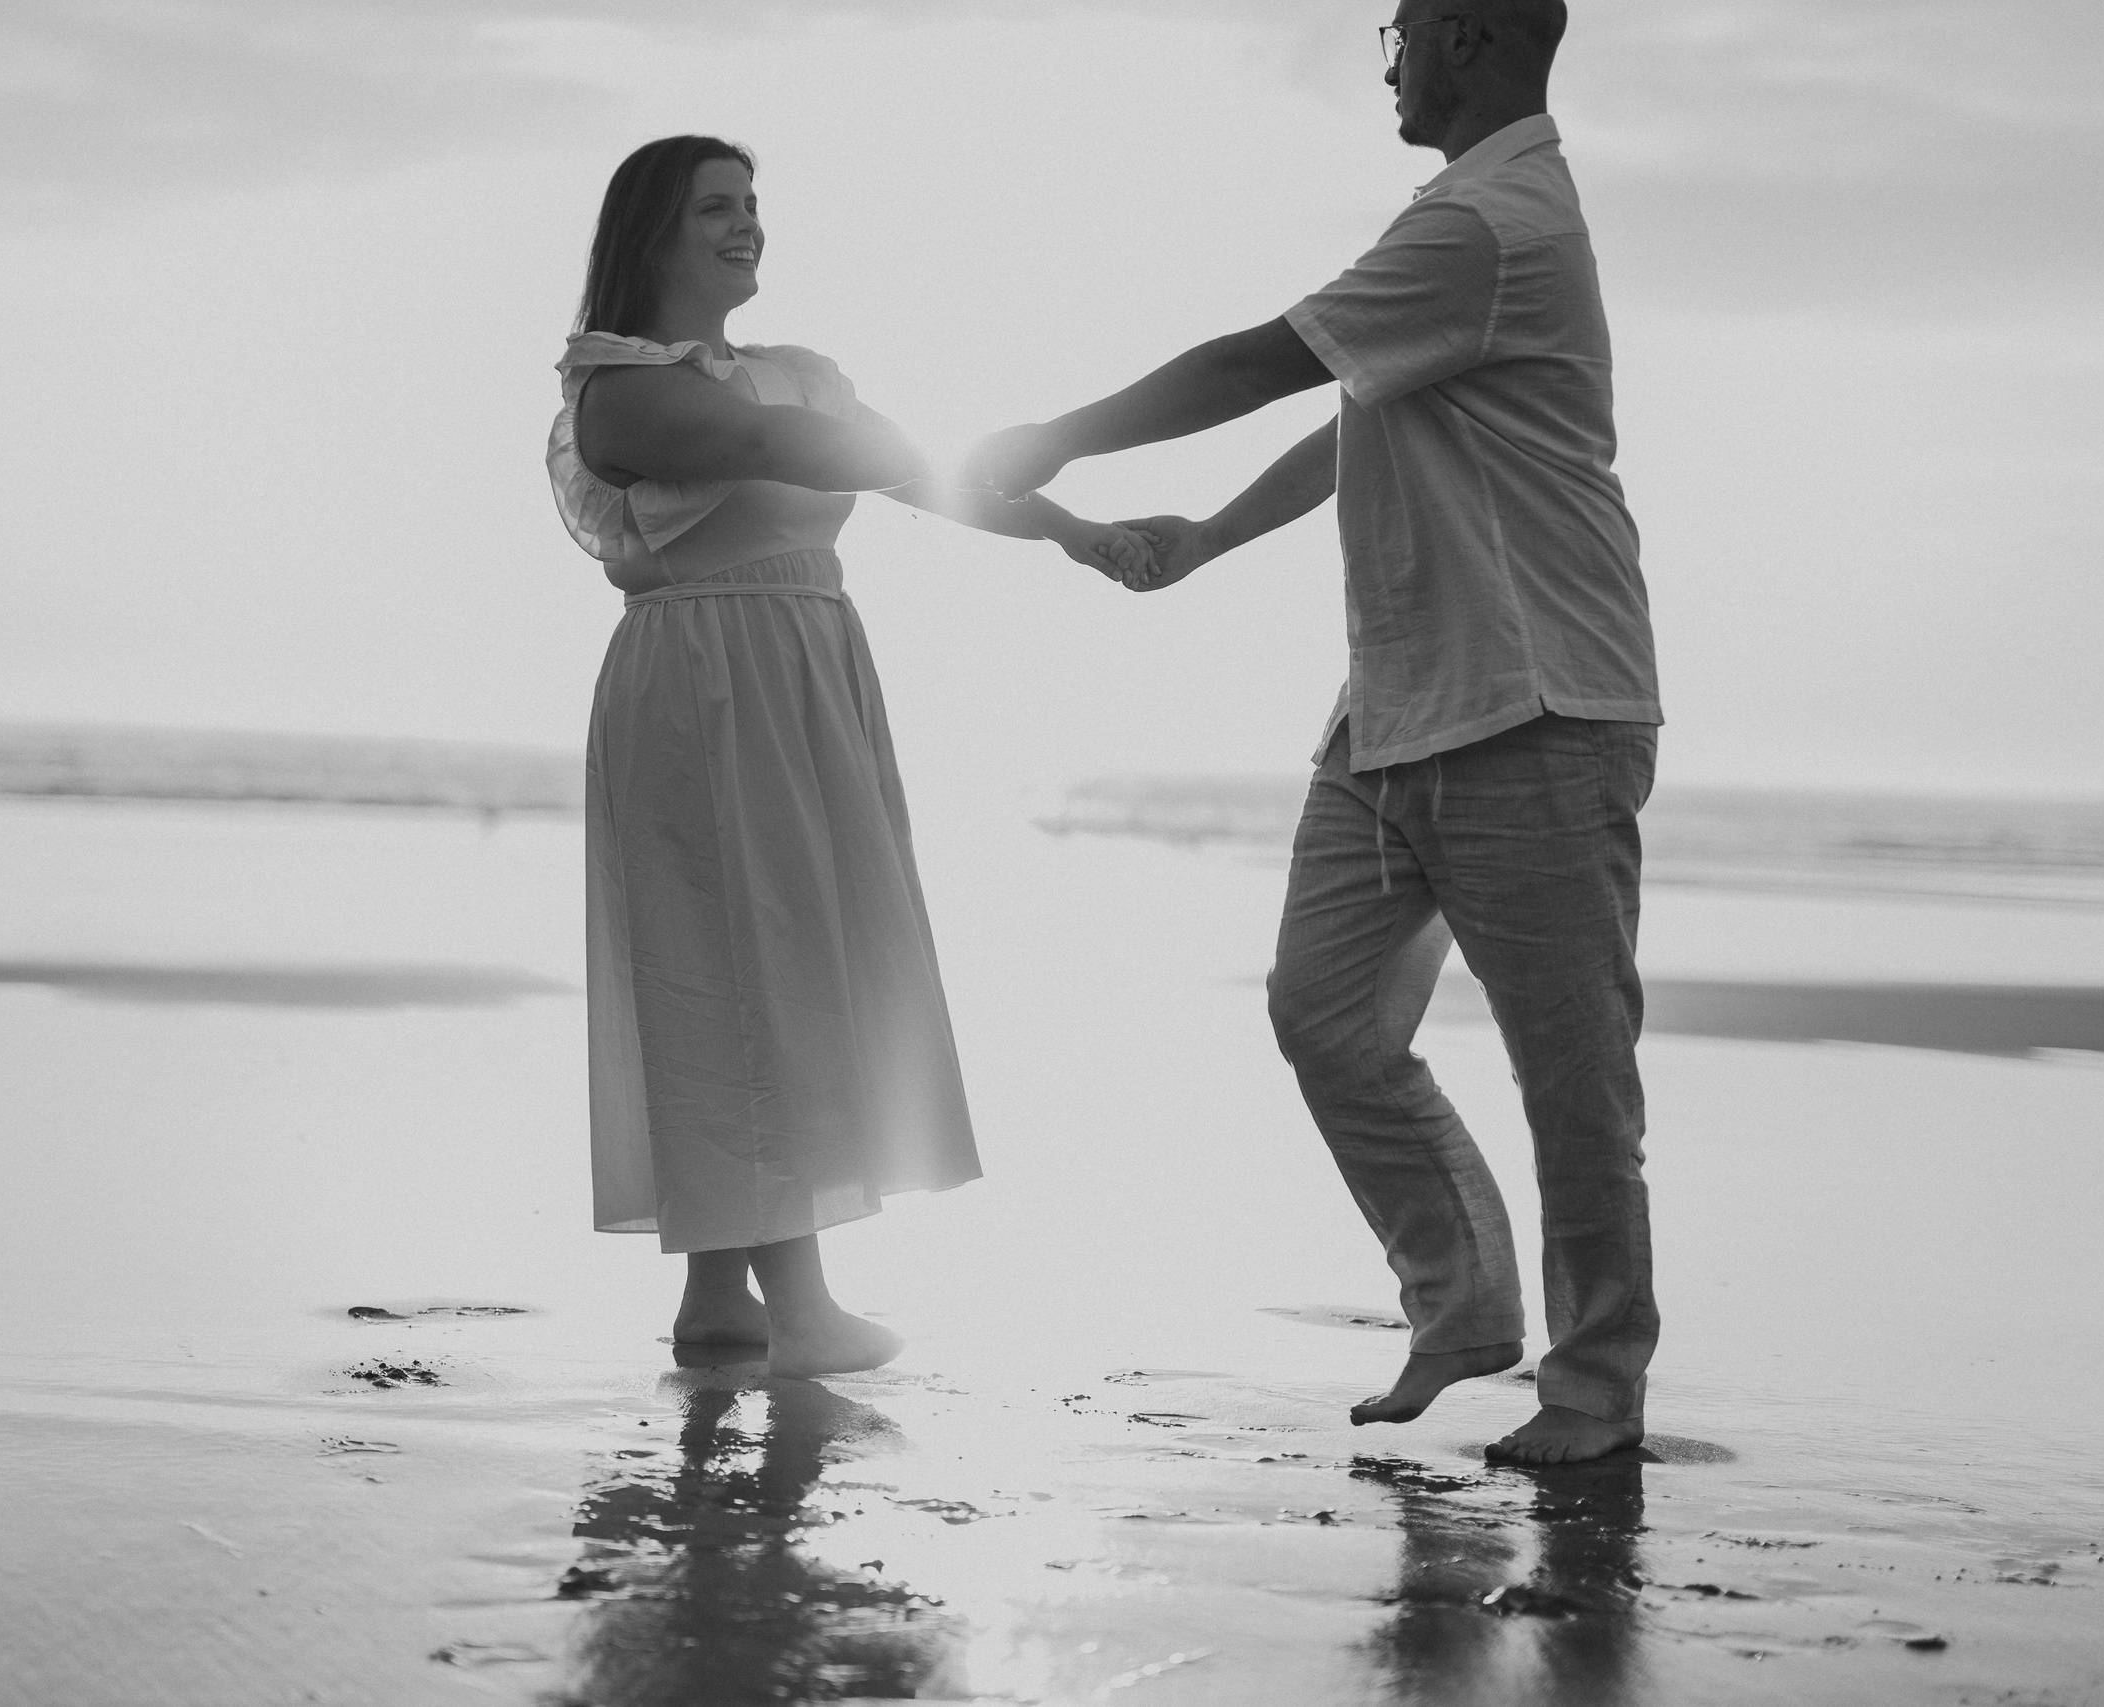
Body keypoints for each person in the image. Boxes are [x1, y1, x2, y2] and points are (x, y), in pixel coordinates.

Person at [966, 0, 1663, 1464]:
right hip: (1398, 705)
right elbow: (1361, 405)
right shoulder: (1458, 219)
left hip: (1538, 700)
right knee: (1327, 1012)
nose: (1388, 53)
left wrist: (1057, 435)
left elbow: (1258, 361)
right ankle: (1464, 1300)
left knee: (1572, 1069)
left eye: (1402, 26)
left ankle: (1597, 1383)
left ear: (1472, 36)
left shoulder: (1494, 223)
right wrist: (1208, 540)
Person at [550, 135, 1150, 1379]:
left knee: (793, 956)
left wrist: (1071, 532)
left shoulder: (798, 371)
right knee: (733, 965)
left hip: (808, 663)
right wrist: (968, 454)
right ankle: (804, 1304)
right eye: (717, 206)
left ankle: (721, 1298)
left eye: (754, 205)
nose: (747, 224)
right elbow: (778, 453)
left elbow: (917, 476)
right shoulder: (618, 386)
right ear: (650, 232)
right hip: (705, 678)